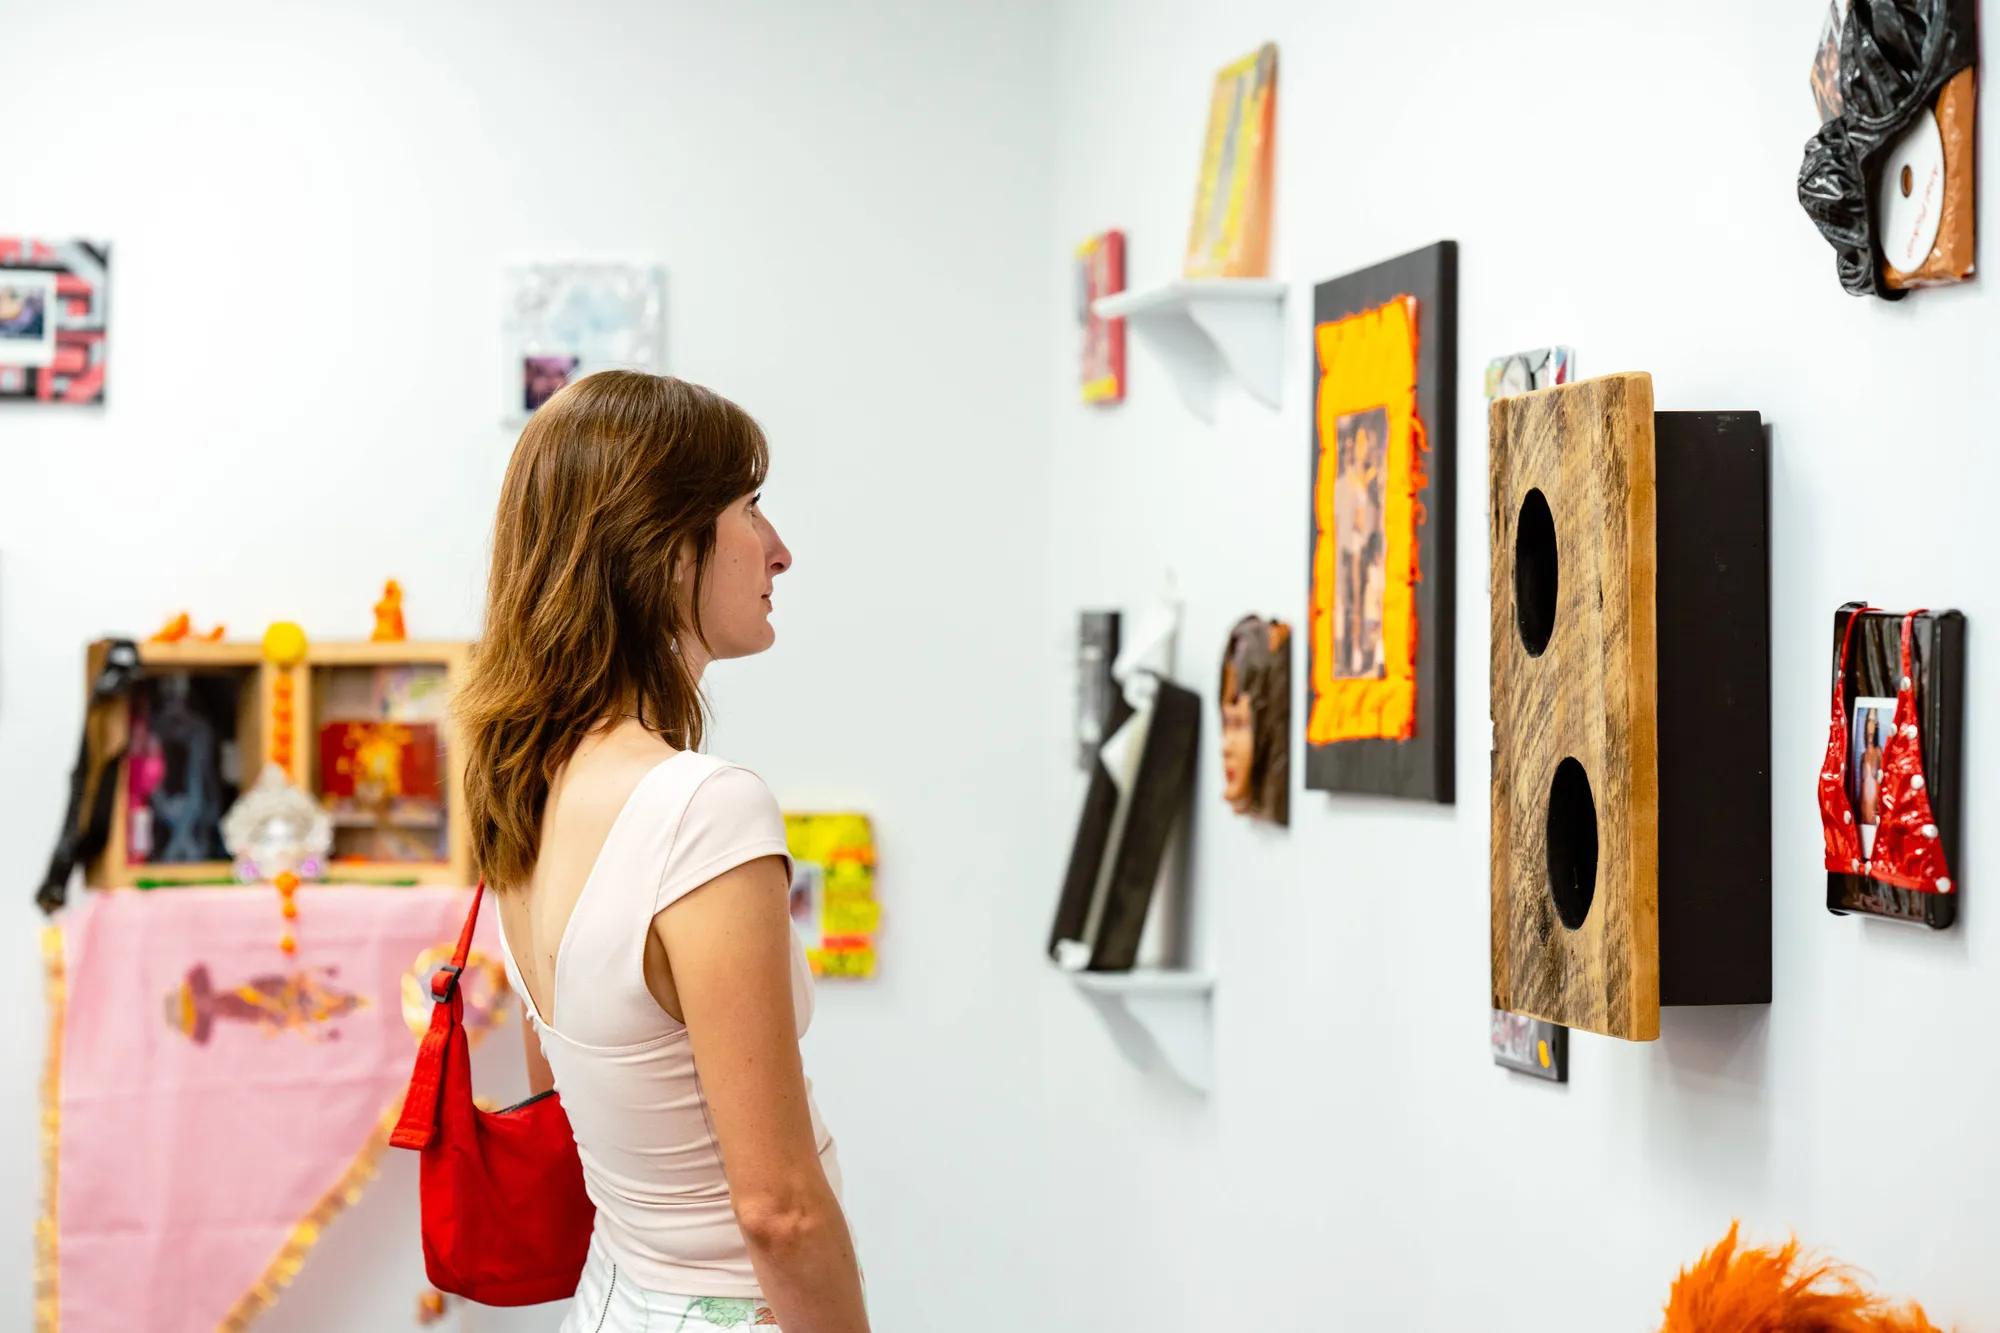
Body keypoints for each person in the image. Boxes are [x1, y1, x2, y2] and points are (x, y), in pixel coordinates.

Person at [455, 370, 867, 1333]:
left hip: (614, 1299)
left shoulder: (528, 783)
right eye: (749, 508)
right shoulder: (702, 811)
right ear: (665, 547)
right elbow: (779, 1211)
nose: (779, 549)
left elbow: (561, 1093)